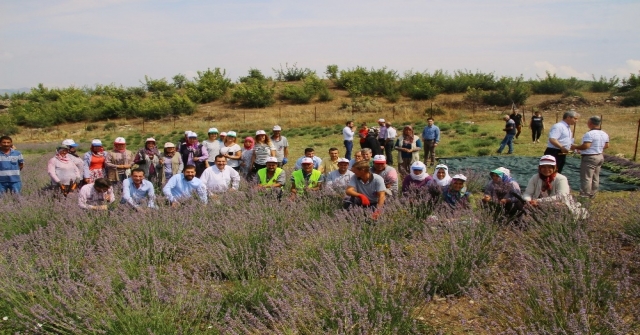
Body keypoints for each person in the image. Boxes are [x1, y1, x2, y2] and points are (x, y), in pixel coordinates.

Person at [571, 116, 609, 198]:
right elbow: (606, 145)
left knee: (586, 177)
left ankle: (585, 195)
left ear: (590, 123)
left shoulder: (589, 134)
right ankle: (593, 193)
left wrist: (575, 147)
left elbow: (586, 145)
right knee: (596, 176)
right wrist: (597, 147)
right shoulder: (604, 133)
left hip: (590, 157)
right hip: (600, 156)